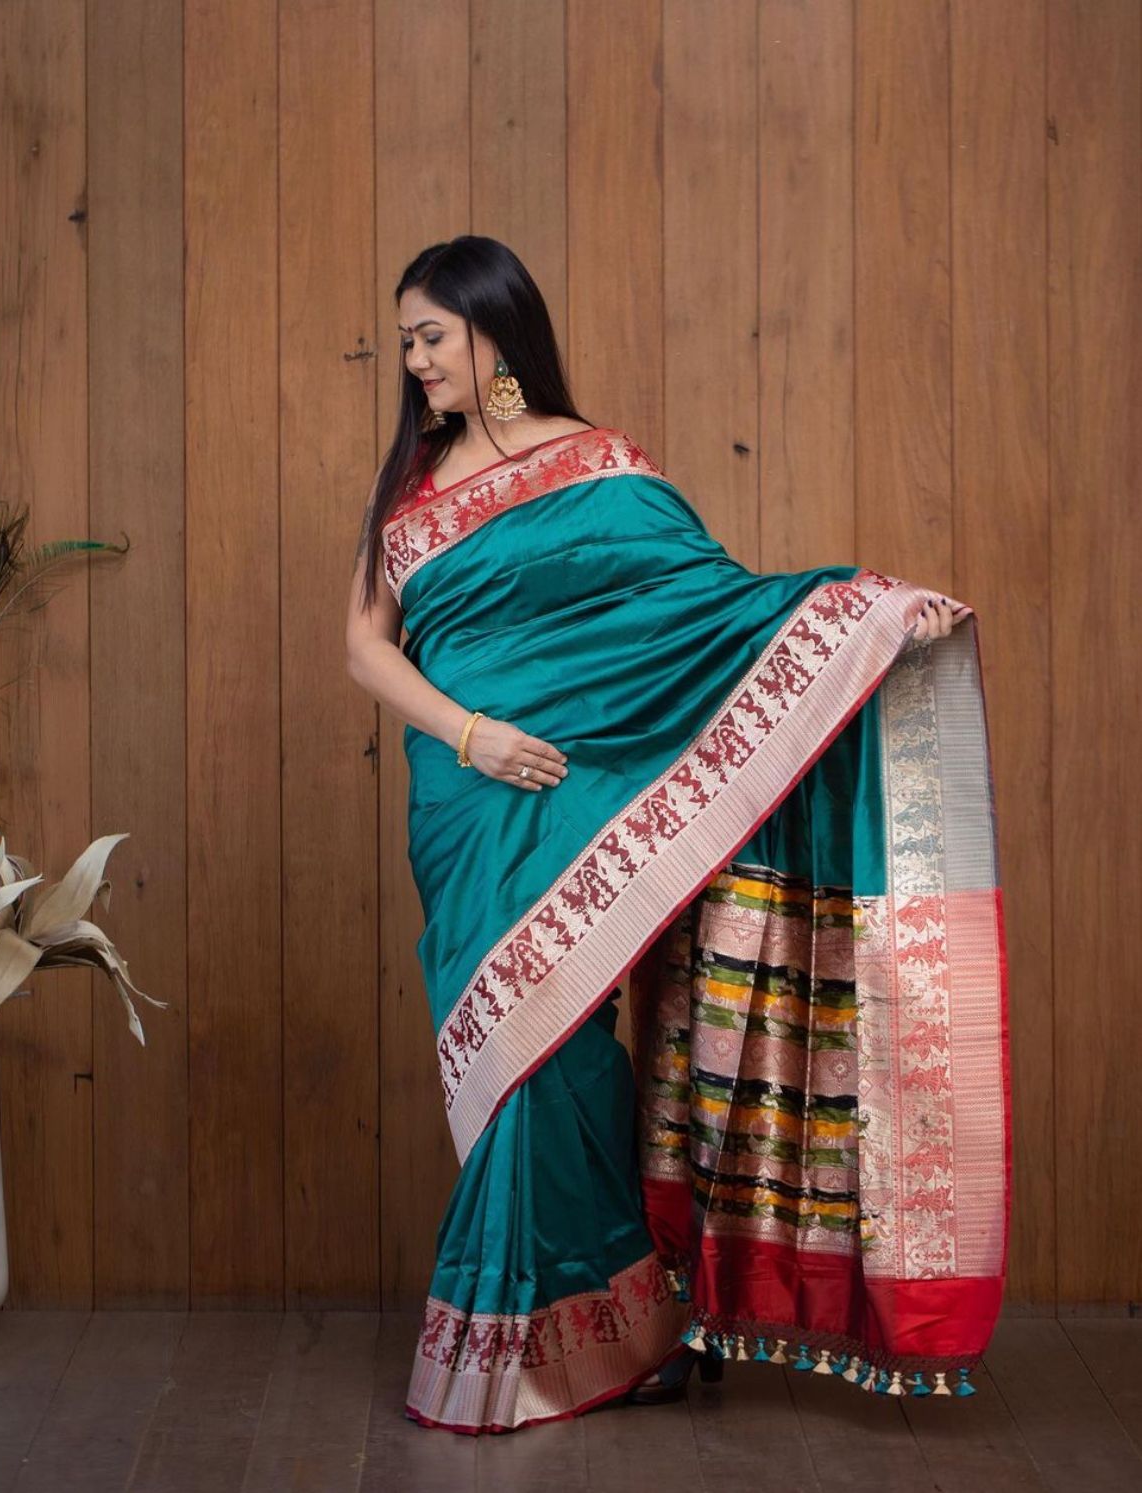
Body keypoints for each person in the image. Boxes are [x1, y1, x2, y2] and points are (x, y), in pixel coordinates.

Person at [345, 235, 1010, 1435]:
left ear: (496, 330)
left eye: (431, 334)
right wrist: (472, 733)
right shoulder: (412, 484)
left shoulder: (603, 465)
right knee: (511, 1046)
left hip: (587, 783)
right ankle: (621, 1322)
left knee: (560, 1047)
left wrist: (868, 619)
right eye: (407, 339)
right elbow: (364, 646)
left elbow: (707, 613)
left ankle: (597, 1325)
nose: (415, 360)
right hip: (468, 791)